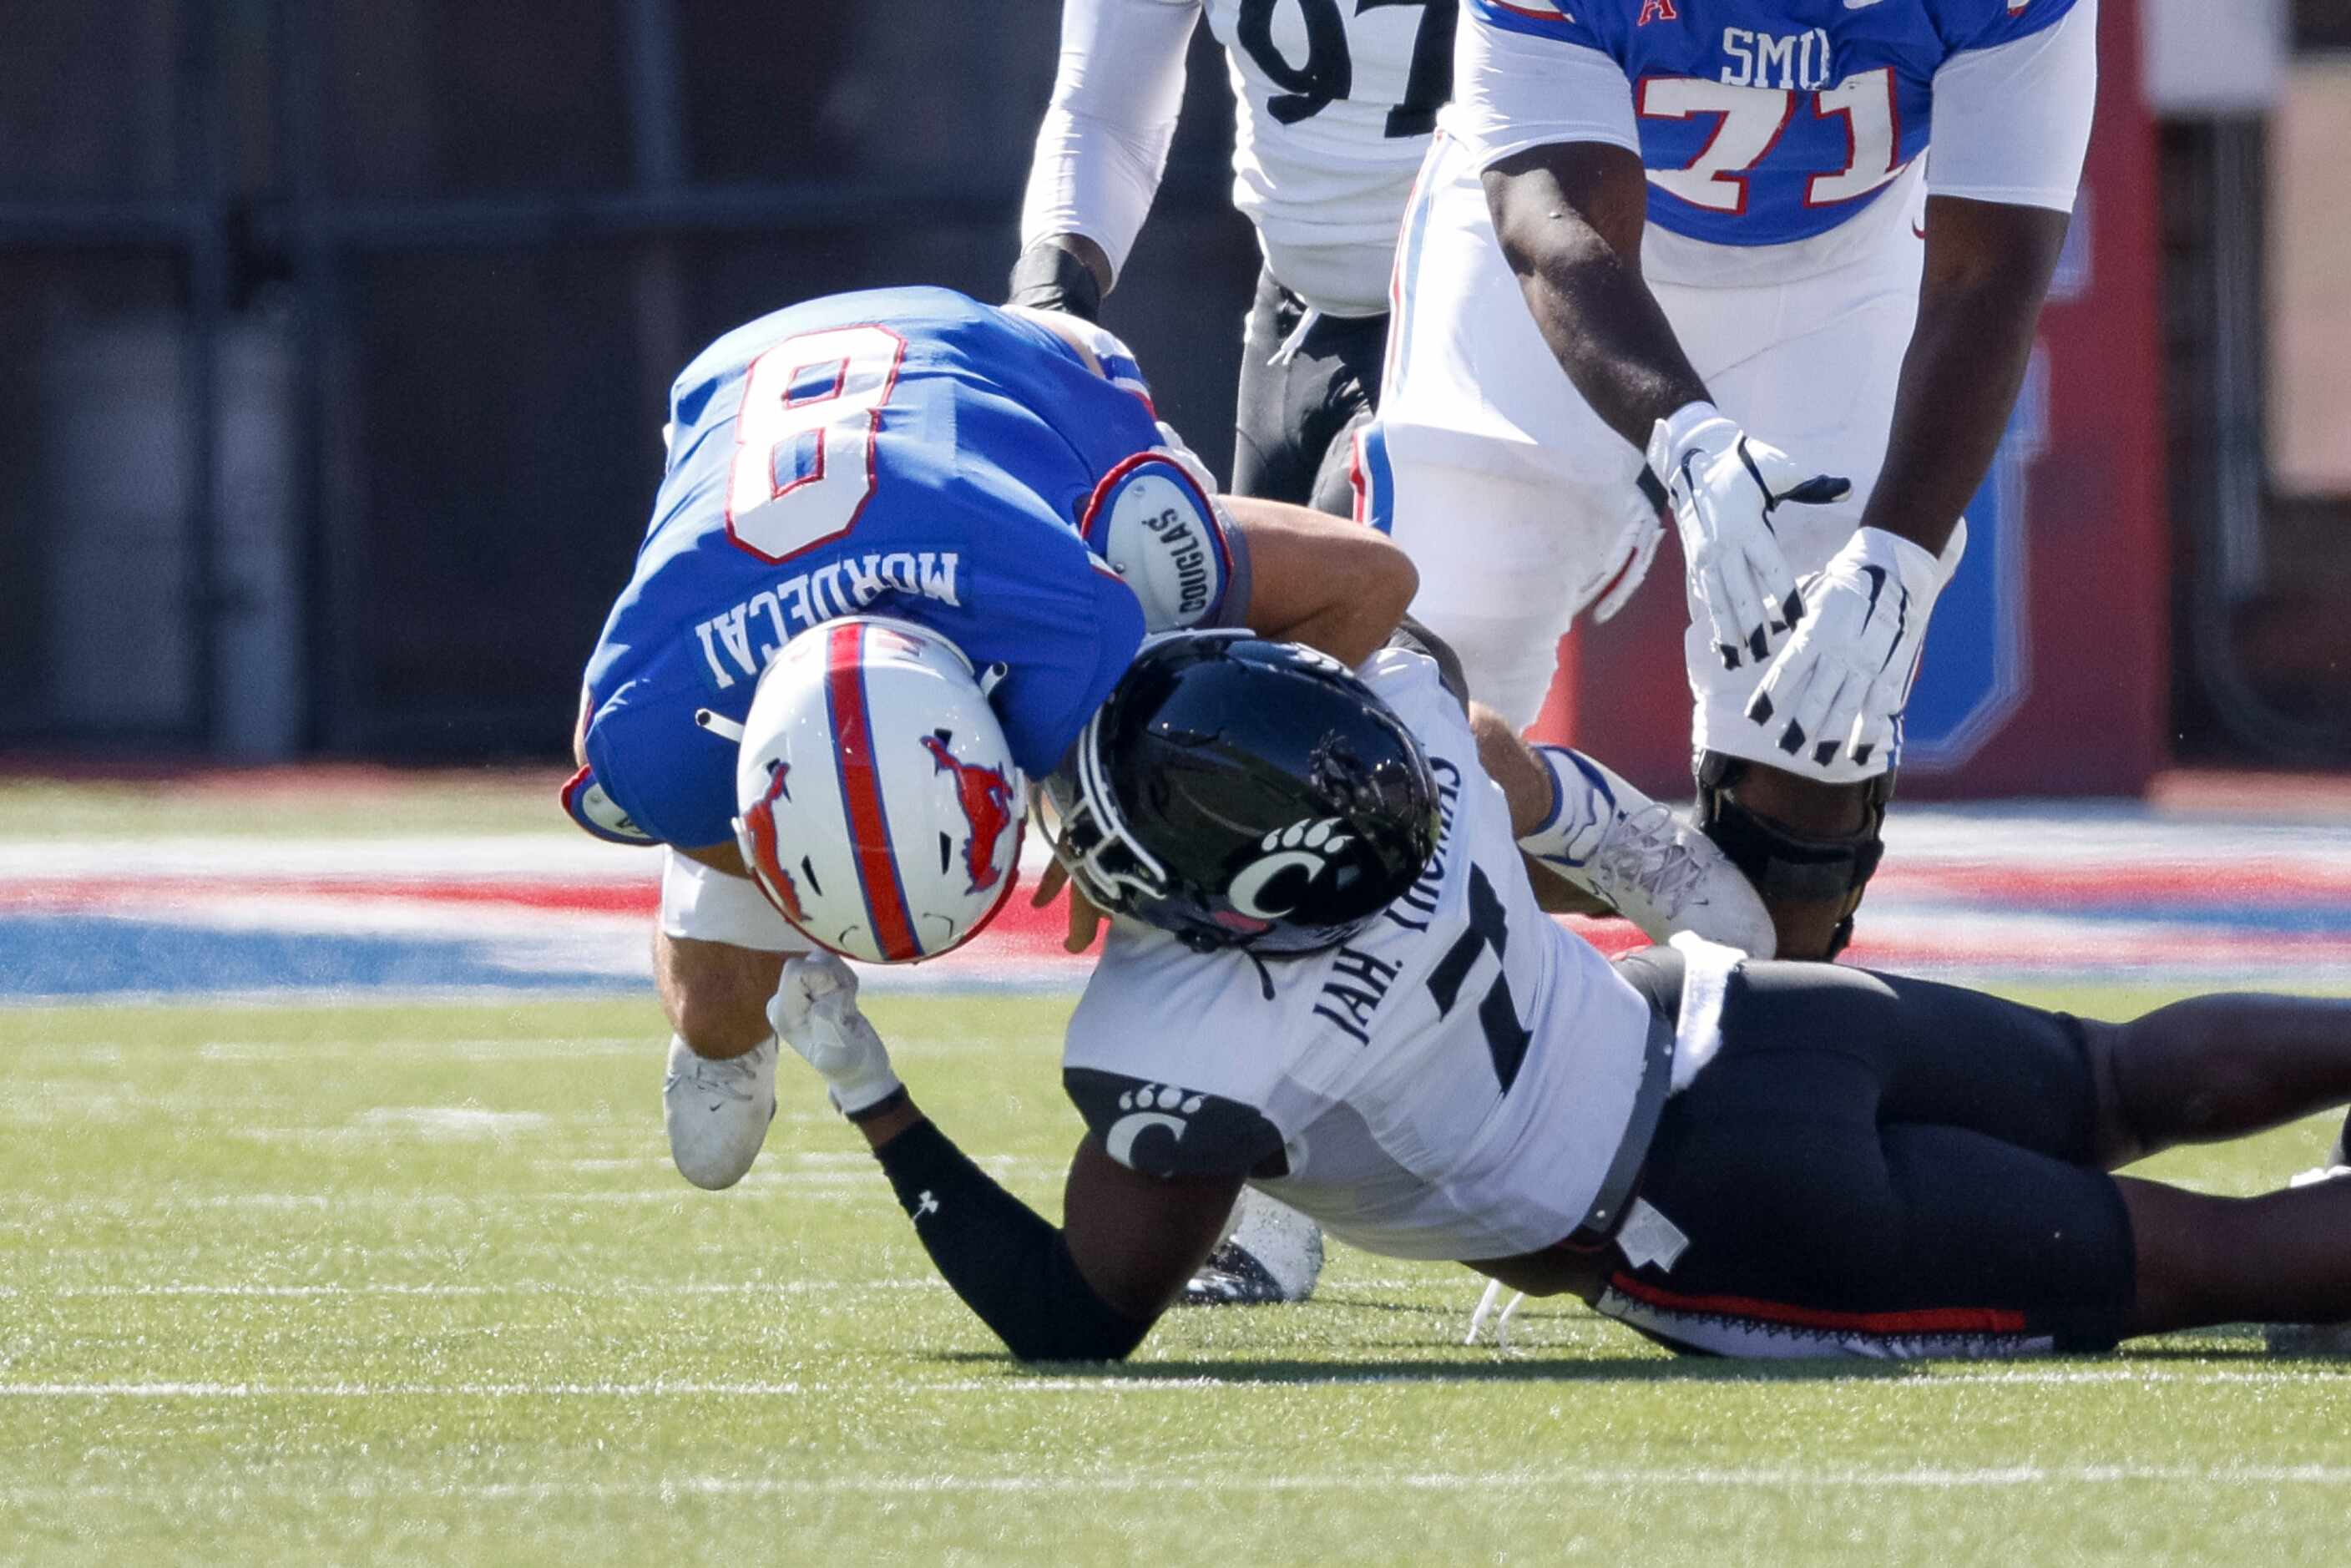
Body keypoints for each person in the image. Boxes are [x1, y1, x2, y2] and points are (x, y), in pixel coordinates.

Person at [768, 628, 2351, 1362]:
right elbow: (1421, 664)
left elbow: (1076, 1312)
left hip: (1715, 1203)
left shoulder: (1191, 1047)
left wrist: (871, 1090)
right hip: (1743, 1011)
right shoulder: (1403, 719)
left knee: (2197, 1260)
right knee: (2122, 1072)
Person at [568, 284, 1417, 1198]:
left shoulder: (1077, 603)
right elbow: (635, 765)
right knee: (719, 1013)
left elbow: (1367, 582)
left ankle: (1570, 817)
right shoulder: (654, 721)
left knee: (1229, 795)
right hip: (745, 394)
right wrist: (744, 863)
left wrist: (1130, 804)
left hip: (1014, 372)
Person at [1368, 0, 2100, 961]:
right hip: (1559, 252)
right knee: (1421, 690)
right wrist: (1686, 439)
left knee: (1806, 811)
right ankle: (1573, 844)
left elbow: (1989, 271)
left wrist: (1897, 554)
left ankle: (1730, 1085)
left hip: (1838, 268)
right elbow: (1549, 223)